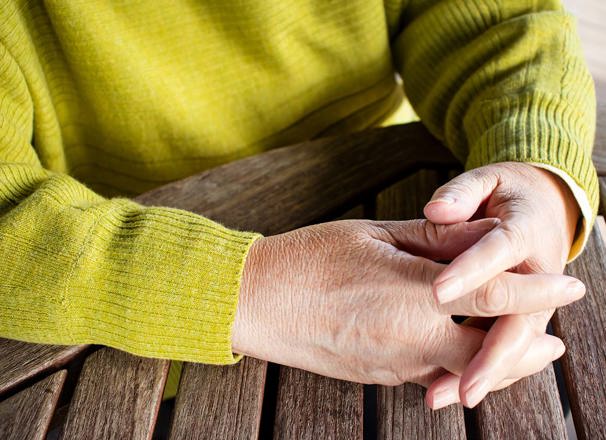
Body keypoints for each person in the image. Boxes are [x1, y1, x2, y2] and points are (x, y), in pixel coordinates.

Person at [0, 0, 596, 411]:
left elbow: (494, 21)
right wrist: (251, 288)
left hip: (409, 228)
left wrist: (538, 174)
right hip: (115, 328)